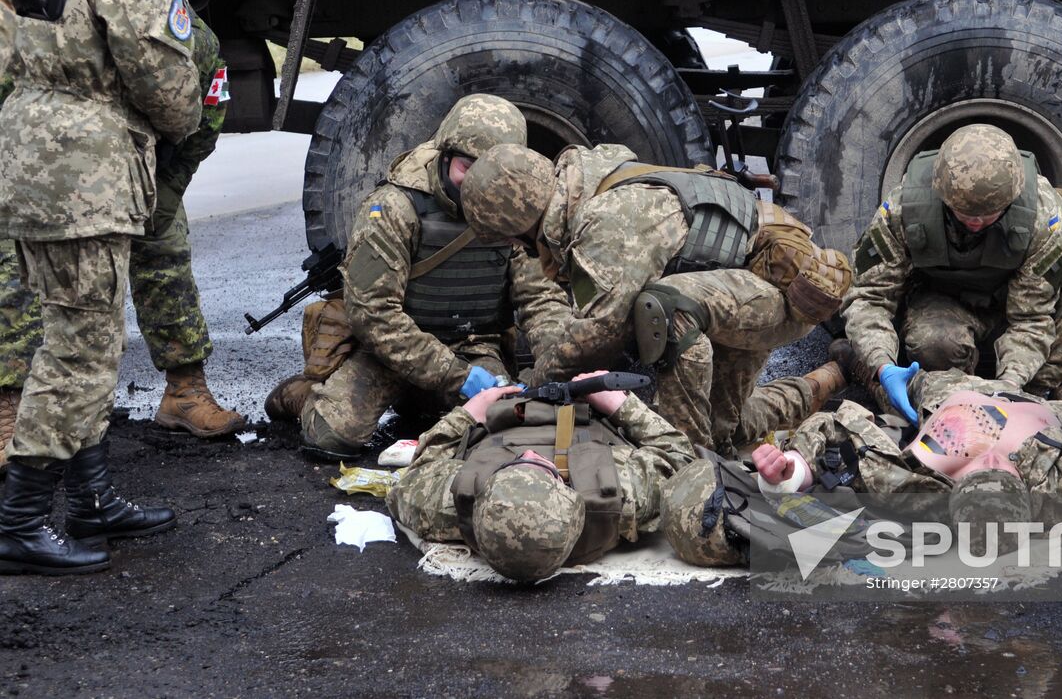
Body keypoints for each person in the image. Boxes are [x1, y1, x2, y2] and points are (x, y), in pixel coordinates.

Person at [0, 0, 210, 574]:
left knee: (82, 328)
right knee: (81, 342)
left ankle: (90, 498)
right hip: (86, 159)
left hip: (32, 147)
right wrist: (185, 115)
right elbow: (153, 59)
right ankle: (20, 521)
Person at [455, 142, 850, 455]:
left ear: (518, 221)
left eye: (507, 236)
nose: (513, 246)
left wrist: (531, 392)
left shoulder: (606, 220)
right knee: (725, 429)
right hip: (736, 287)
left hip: (782, 288)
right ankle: (831, 377)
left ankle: (691, 466)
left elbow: (595, 335)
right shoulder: (586, 182)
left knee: (663, 310)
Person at [264, 94, 572, 461]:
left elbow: (541, 299)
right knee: (331, 436)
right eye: (466, 168)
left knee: (506, 429)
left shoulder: (513, 207)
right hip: (391, 353)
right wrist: (455, 376)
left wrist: (560, 364)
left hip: (471, 346)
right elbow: (374, 316)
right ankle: (302, 395)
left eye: (491, 172)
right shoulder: (394, 207)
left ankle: (421, 401)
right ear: (444, 157)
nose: (477, 184)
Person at [661, 367, 1062, 568]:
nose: (990, 458)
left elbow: (843, 444)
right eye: (1000, 472)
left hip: (976, 394)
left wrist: (789, 471)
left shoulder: (911, 464)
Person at [0, 13, 245, 464]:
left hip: (134, 168)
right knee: (15, 276)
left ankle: (184, 392)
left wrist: (166, 192)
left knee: (165, 252)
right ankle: (7, 411)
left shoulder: (188, 38)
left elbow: (209, 115)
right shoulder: (42, 26)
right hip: (39, 170)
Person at [387, 361, 845, 581]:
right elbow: (678, 455)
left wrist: (472, 411)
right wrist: (625, 406)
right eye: (542, 470)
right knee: (733, 424)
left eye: (514, 467)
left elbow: (417, 472)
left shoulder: (449, 501)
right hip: (599, 412)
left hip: (504, 407)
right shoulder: (616, 494)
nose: (530, 457)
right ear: (571, 497)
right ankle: (826, 377)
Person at [841, 123, 1062, 418]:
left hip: (1017, 308)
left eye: (989, 215)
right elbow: (869, 297)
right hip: (946, 305)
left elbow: (1032, 319)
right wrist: (881, 363)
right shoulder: (903, 208)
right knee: (934, 343)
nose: (975, 223)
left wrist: (1011, 383)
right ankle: (944, 395)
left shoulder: (1042, 214)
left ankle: (1035, 393)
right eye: (965, 215)